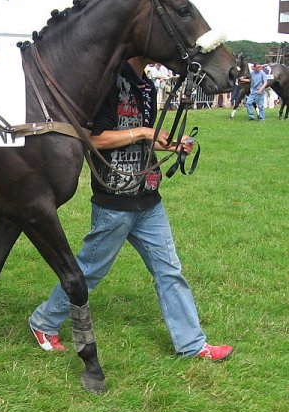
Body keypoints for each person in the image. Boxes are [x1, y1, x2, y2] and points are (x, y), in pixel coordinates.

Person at [28, 57, 234, 362]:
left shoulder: (146, 85)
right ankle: (43, 322)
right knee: (89, 270)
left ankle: (192, 344)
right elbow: (93, 138)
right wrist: (143, 132)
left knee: (169, 271)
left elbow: (144, 138)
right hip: (115, 201)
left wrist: (171, 144)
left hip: (149, 198)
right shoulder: (109, 83)